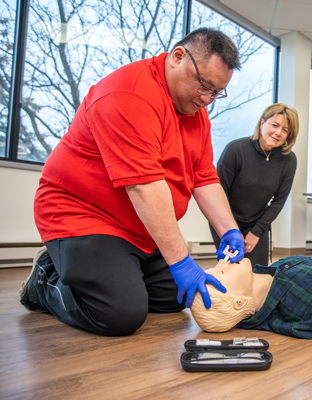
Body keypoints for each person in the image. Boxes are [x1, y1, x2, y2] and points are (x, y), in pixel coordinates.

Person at [20, 28, 247, 337]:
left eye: (216, 92)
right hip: (83, 216)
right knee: (120, 314)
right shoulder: (129, 93)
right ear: (178, 57)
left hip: (137, 227)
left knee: (176, 298)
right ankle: (45, 280)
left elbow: (204, 177)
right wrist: (181, 262)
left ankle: (110, 273)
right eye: (204, 85)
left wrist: (229, 230)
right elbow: (143, 186)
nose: (207, 99)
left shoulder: (196, 113)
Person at [209, 103, 299, 267]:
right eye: (275, 125)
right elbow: (219, 194)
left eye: (285, 130)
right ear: (262, 123)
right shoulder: (236, 150)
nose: (278, 133)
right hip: (225, 218)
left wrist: (256, 232)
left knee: (258, 272)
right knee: (233, 269)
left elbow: (278, 201)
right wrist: (232, 230)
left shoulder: (289, 160)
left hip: (256, 223)